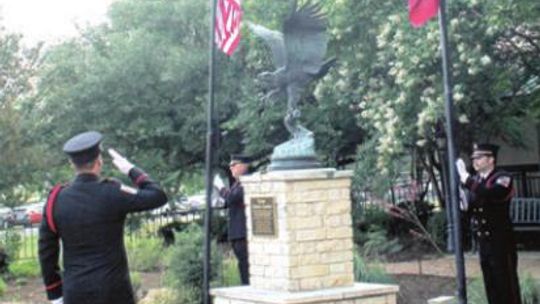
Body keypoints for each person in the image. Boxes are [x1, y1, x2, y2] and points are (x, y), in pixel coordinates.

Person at [38, 131, 168, 304]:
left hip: (76, 293)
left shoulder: (56, 199)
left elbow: (47, 250)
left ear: (72, 164)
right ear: (99, 161)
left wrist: (55, 295)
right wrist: (130, 169)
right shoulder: (113, 191)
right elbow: (157, 195)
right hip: (114, 292)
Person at [456, 143, 521, 304]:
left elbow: (492, 194)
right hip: (484, 241)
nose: (475, 161)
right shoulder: (477, 180)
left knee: (506, 284)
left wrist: (467, 179)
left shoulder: (503, 177)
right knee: (490, 285)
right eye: (473, 158)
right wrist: (464, 203)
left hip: (501, 240)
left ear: (491, 159)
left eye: (479, 157)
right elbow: (472, 207)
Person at [215, 154, 251, 285]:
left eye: (233, 165)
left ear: (243, 166)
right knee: (242, 265)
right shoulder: (237, 184)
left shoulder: (247, 182)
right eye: (230, 166)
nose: (231, 168)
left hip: (243, 233)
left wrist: (220, 188)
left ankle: (248, 290)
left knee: (246, 265)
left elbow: (232, 198)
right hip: (237, 232)